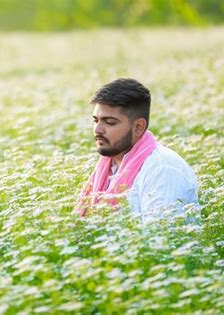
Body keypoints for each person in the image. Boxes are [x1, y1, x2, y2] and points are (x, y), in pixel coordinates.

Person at [74, 78, 199, 223]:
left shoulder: (162, 169)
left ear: (138, 127)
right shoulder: (108, 166)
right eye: (96, 120)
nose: (98, 130)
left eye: (109, 122)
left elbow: (161, 238)